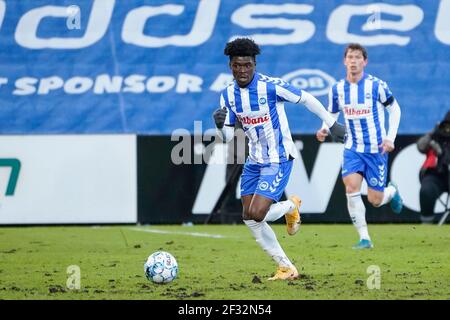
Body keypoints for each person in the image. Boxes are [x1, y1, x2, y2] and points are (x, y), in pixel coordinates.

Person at [213, 38, 345, 280]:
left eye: (247, 65)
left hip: (279, 157)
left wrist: (332, 123)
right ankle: (286, 267)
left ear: (254, 64)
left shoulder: (270, 87)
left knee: (258, 213)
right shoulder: (228, 96)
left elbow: (306, 98)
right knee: (249, 218)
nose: (242, 70)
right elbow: (230, 136)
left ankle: (291, 206)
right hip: (254, 160)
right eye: (237, 65)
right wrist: (221, 126)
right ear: (230, 66)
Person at [315, 43, 403, 250]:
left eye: (357, 57)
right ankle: (365, 238)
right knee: (351, 188)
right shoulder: (337, 89)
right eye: (350, 57)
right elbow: (332, 113)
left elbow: (395, 109)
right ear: (344, 61)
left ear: (365, 61)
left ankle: (391, 192)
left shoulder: (376, 86)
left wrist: (390, 138)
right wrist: (324, 129)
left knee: (375, 199)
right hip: (352, 148)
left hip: (376, 149)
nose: (353, 61)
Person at [417, 111, 450, 223]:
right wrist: (433, 133)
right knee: (427, 190)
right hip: (437, 174)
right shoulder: (436, 135)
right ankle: (427, 225)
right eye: (447, 126)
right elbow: (420, 147)